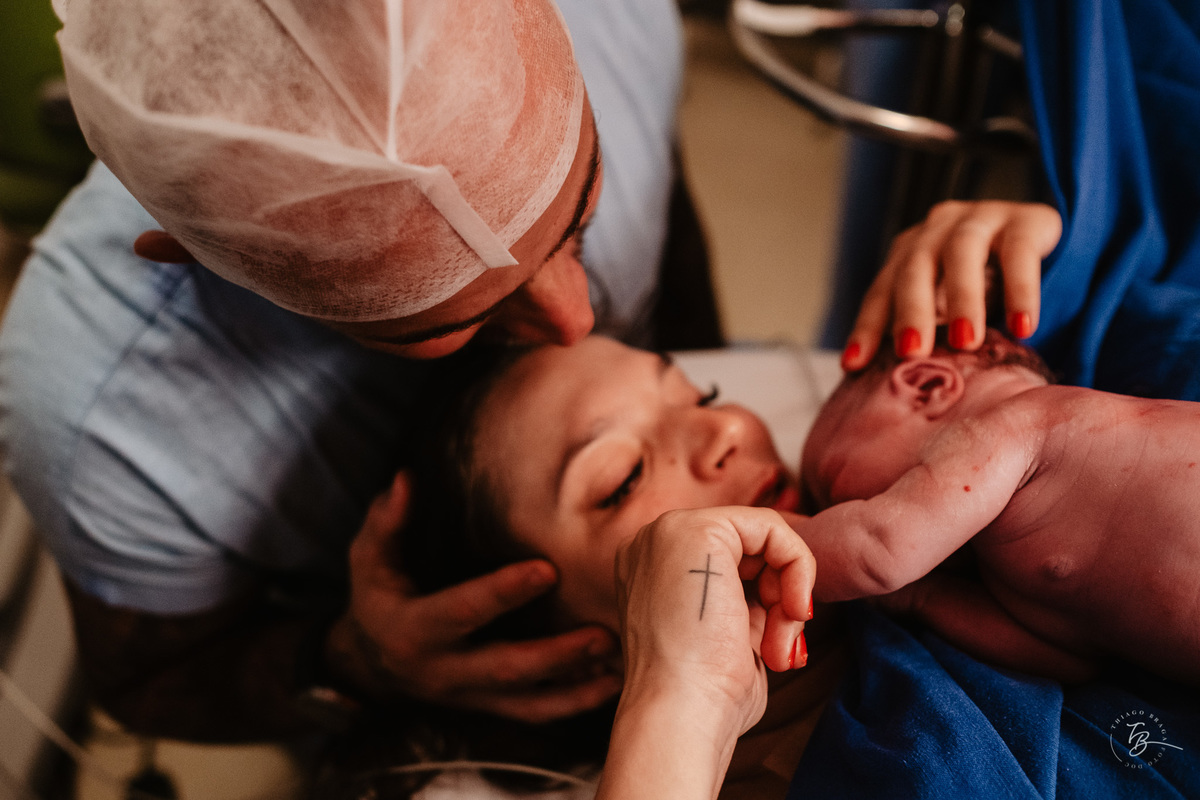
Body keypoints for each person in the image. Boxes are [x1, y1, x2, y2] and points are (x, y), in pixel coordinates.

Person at [0, 0, 706, 741]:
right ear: (199, 254)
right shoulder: (98, 421)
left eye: (579, 214)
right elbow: (150, 682)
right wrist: (351, 662)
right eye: (454, 320)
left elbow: (673, 234)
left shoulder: (612, 17)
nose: (576, 321)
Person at [390, 333, 1200, 800]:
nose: (730, 431)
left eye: (699, 395)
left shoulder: (966, 545)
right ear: (572, 653)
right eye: (621, 479)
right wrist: (683, 699)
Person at [798, 327, 1200, 685]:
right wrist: (920, 598)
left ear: (927, 387)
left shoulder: (1019, 420)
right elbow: (1068, 661)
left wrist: (762, 543)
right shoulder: (1001, 568)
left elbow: (878, 547)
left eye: (832, 482)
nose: (832, 514)